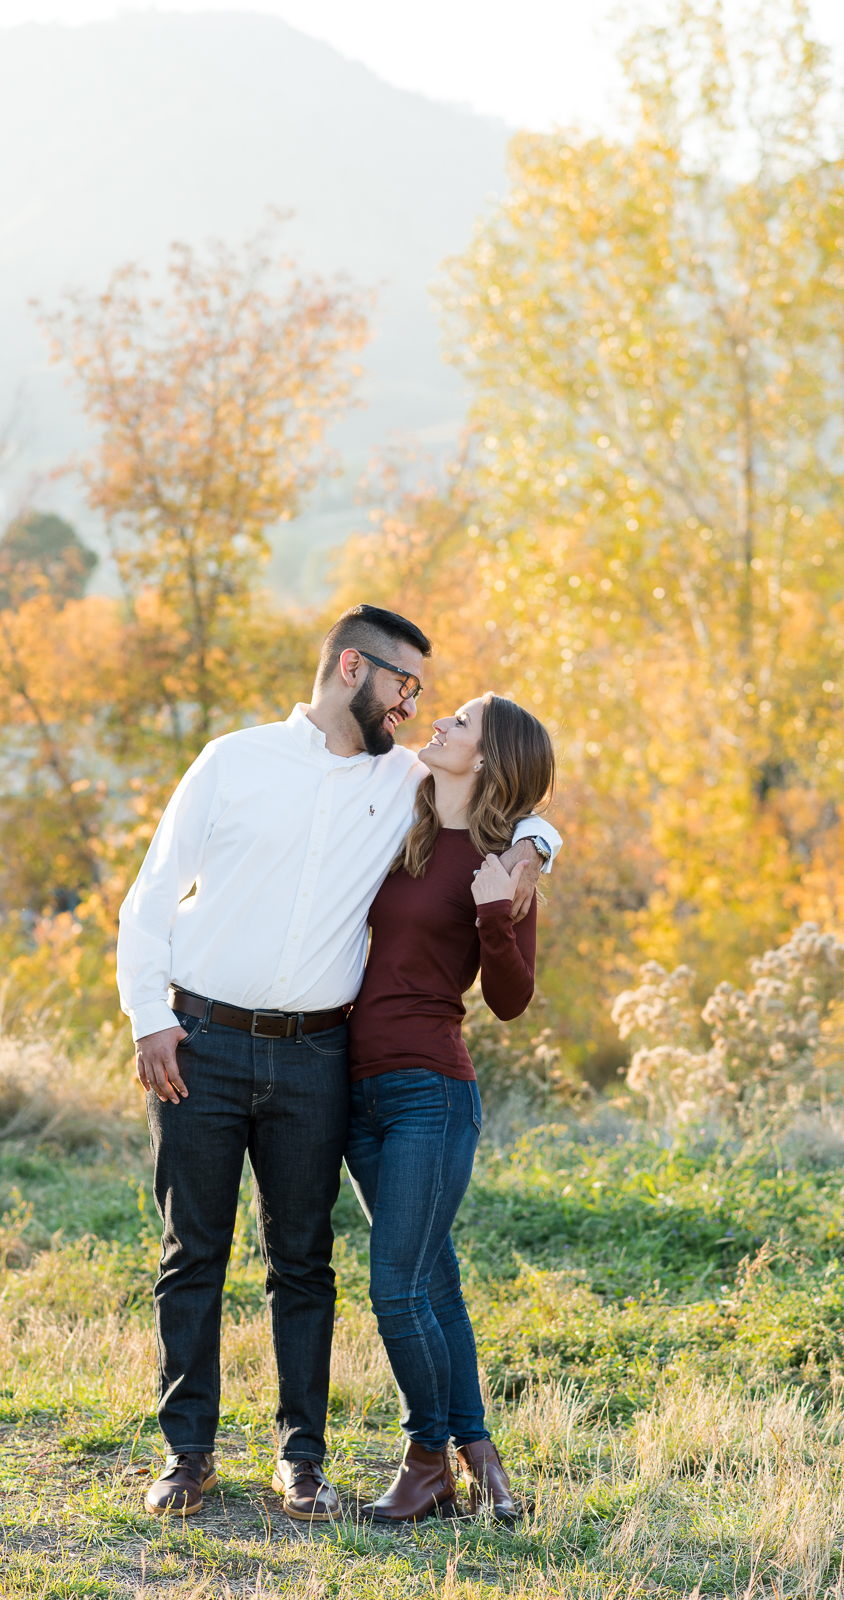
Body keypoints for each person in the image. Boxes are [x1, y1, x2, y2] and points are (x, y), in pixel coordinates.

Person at [116, 605, 562, 1522]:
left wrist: (532, 848)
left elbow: (515, 804)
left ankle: (304, 1463)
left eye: (430, 701)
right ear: (354, 669)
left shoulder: (406, 781)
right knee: (192, 1252)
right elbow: (153, 890)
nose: (414, 708)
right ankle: (186, 1454)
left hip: (321, 1055)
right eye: (406, 686)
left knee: (306, 1263)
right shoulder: (233, 760)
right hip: (199, 1040)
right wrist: (146, 1017)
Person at [344, 692, 556, 1524]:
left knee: (396, 1288)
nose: (440, 724)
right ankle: (480, 1462)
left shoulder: (505, 862)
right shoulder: (404, 815)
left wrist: (496, 909)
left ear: (491, 755)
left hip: (431, 1088)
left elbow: (510, 1000)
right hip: (354, 1087)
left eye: (460, 722)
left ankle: (428, 1458)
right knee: (433, 1283)